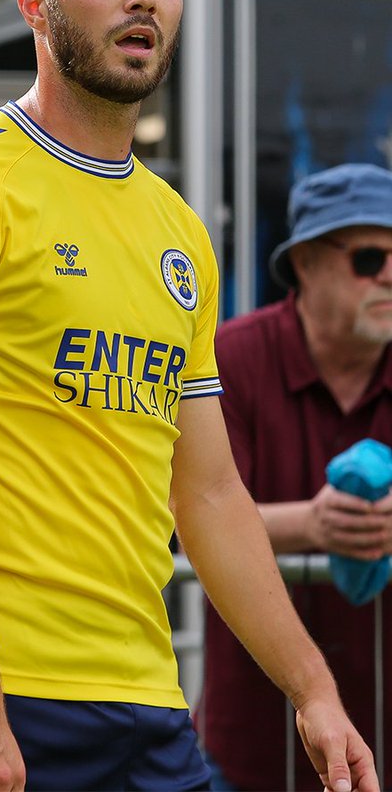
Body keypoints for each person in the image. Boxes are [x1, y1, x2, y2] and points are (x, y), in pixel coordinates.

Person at [0, 0, 378, 792]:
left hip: (142, 698)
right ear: (34, 5)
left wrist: (313, 690)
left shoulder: (178, 229)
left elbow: (208, 492)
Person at [198, 162, 392, 792]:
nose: (390, 274)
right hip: (253, 743)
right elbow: (188, 511)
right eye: (369, 258)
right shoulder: (231, 357)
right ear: (305, 264)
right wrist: (314, 524)